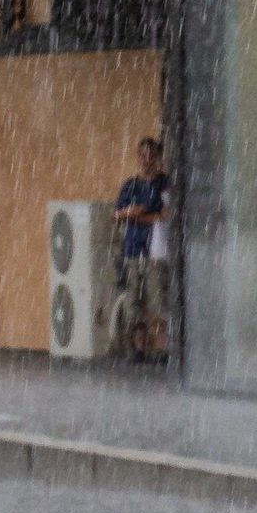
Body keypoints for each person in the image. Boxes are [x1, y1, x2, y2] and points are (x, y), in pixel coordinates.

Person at [109, 137, 170, 361]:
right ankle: (138, 349)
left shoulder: (164, 184)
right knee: (134, 299)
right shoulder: (130, 185)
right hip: (133, 249)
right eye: (142, 156)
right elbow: (116, 213)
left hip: (156, 249)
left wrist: (140, 216)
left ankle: (163, 349)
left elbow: (165, 214)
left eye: (150, 156)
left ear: (157, 158)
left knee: (158, 298)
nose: (146, 161)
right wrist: (130, 213)